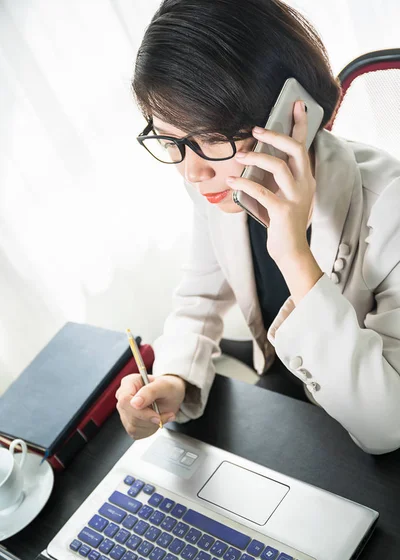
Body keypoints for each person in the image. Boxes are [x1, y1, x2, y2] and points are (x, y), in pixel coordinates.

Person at [116, 0, 400, 454]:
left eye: (211, 138)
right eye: (171, 140)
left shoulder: (390, 207)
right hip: (291, 412)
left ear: (293, 114)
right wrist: (174, 379)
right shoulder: (220, 182)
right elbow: (200, 297)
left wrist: (294, 255)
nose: (191, 172)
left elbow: (388, 426)